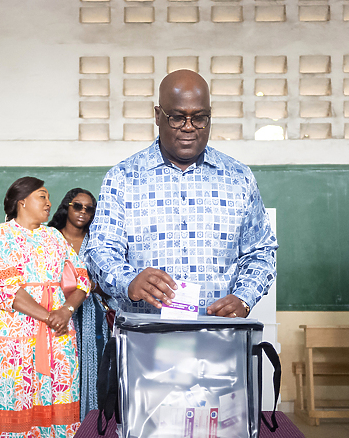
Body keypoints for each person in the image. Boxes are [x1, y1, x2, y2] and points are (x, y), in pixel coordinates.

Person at [87, 69, 277, 317]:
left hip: (219, 337)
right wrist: (129, 282)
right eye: (177, 118)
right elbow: (100, 250)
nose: (189, 128)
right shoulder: (123, 178)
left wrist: (244, 298)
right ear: (158, 115)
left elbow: (261, 252)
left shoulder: (238, 178)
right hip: (146, 338)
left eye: (199, 118)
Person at [0, 177, 90, 438]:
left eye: (49, 197)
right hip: (17, 342)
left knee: (58, 407)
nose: (49, 202)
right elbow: (7, 288)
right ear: (22, 200)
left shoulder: (54, 236)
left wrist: (66, 309)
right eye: (42, 196)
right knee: (19, 404)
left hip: (58, 340)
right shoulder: (1, 234)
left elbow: (80, 279)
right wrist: (47, 314)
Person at [48, 188, 111, 421]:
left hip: (92, 317)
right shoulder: (49, 237)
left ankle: (88, 427)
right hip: (54, 314)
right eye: (77, 206)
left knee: (93, 370)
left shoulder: (98, 243)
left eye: (89, 208)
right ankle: (59, 428)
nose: (83, 212)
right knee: (58, 371)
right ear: (67, 206)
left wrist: (92, 286)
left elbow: (111, 282)